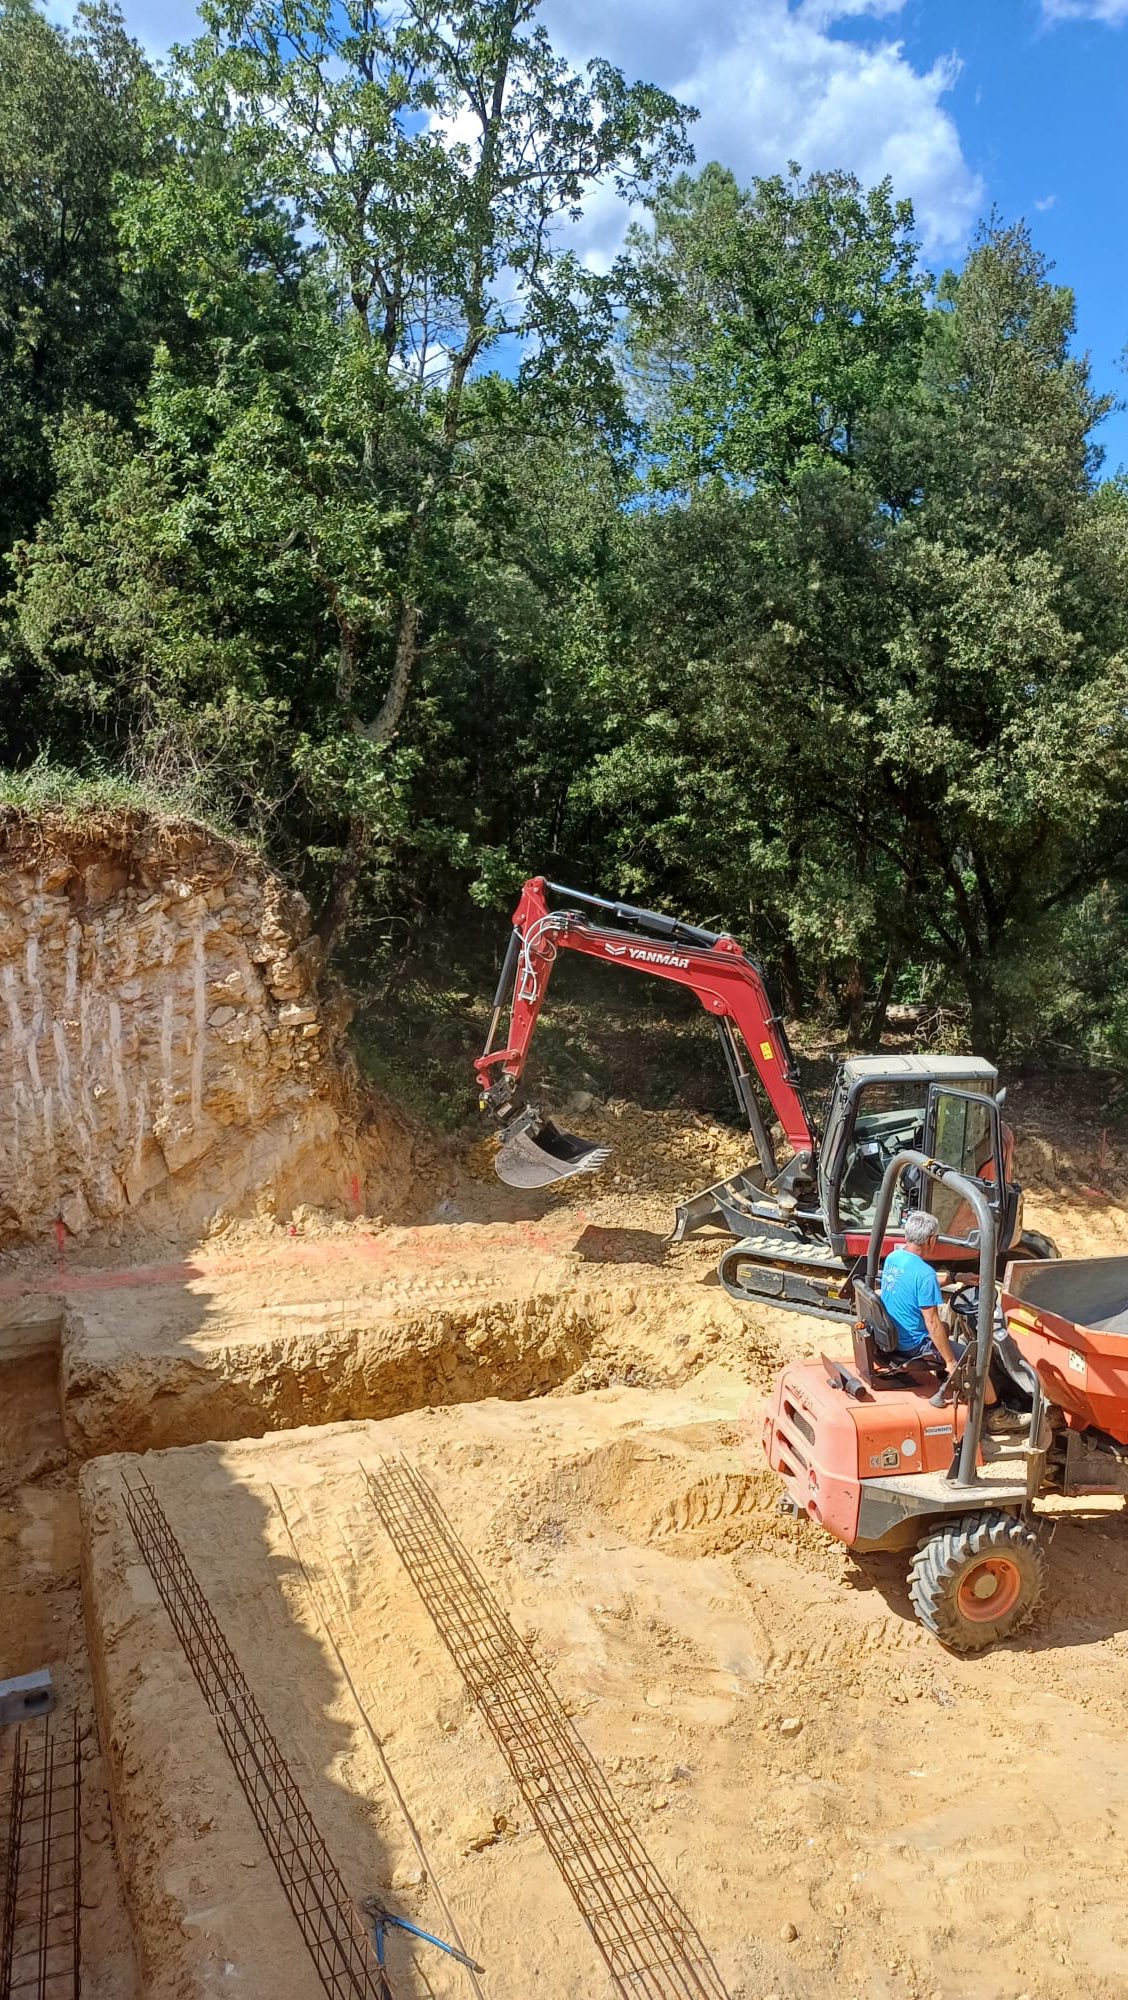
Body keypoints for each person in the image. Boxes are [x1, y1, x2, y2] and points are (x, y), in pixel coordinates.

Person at [879, 1209, 1018, 1427]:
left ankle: (948, 1381)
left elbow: (919, 1285)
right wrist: (951, 1362)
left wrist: (956, 1278)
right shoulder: (924, 1273)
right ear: (931, 1240)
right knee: (973, 1358)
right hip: (914, 1346)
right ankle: (996, 1413)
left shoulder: (894, 1258)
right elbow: (931, 1323)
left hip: (896, 1336)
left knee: (945, 1326)